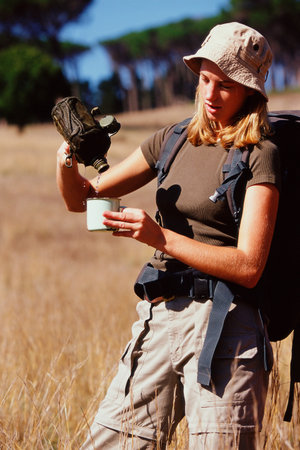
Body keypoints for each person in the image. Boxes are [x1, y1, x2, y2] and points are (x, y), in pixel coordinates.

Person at [56, 22, 280, 449]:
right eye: (205, 80)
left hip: (227, 327)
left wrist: (159, 238)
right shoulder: (174, 138)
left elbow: (249, 266)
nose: (211, 95)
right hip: (159, 318)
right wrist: (66, 160)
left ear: (250, 92)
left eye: (226, 86)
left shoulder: (260, 154)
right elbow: (82, 199)